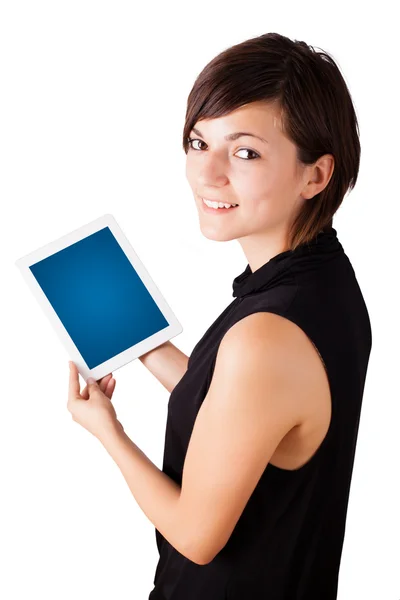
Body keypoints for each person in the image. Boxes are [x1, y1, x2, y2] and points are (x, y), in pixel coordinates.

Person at [142, 32, 372, 599]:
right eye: (199, 143)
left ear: (315, 175)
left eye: (244, 151)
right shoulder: (324, 284)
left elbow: (196, 536)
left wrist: (105, 428)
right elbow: (243, 410)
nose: (207, 173)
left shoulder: (267, 332)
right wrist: (145, 346)